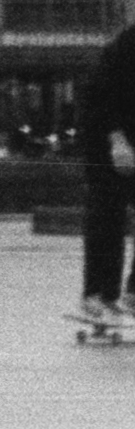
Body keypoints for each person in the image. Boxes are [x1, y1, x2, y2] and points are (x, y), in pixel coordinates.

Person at [77, 24, 135, 328]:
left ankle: (131, 295)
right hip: (108, 145)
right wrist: (117, 140)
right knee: (107, 218)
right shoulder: (127, 45)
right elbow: (99, 95)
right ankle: (97, 295)